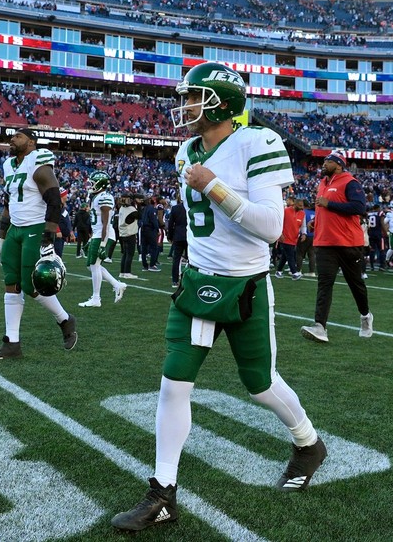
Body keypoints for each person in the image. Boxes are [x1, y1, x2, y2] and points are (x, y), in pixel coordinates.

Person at [111, 62, 326, 532]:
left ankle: (308, 444)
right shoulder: (186, 150)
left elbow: (272, 227)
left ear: (221, 103)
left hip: (246, 285)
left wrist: (213, 185)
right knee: (174, 381)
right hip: (198, 283)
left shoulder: (259, 142)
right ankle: (162, 492)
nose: (185, 106)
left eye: (195, 97)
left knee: (261, 384)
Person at [0, 128, 77, 359]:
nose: (12, 139)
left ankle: (64, 319)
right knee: (10, 282)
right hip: (15, 229)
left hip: (35, 227)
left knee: (29, 284)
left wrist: (48, 235)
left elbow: (55, 199)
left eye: (18, 136)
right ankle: (11, 343)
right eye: (12, 136)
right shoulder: (8, 165)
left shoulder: (38, 158)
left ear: (31, 142)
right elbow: (9, 203)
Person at [300, 150, 374, 342]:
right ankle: (320, 326)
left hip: (348, 243)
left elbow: (359, 208)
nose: (324, 163)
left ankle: (366, 315)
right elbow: (325, 208)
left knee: (355, 284)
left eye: (328, 161)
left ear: (339, 165)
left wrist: (329, 204)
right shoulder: (322, 183)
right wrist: (316, 220)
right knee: (324, 284)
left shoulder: (350, 182)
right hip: (325, 243)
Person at [78, 170, 127, 308]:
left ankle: (96, 298)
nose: (91, 185)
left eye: (93, 183)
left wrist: (103, 243)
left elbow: (106, 222)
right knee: (92, 265)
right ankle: (117, 285)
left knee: (94, 266)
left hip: (103, 235)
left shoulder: (104, 197)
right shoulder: (98, 196)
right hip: (99, 234)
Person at [274, 196, 304, 279]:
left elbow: (303, 225)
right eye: (300, 206)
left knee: (285, 256)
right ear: (295, 204)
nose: (302, 208)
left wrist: (304, 234)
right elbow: (279, 222)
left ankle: (278, 271)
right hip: (285, 237)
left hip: (294, 238)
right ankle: (294, 273)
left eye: (302, 206)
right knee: (290, 255)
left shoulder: (302, 213)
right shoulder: (286, 211)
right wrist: (280, 233)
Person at [117, 192, 140, 279]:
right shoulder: (131, 209)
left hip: (123, 233)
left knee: (125, 254)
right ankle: (127, 272)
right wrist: (139, 204)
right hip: (130, 233)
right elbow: (139, 215)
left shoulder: (121, 208)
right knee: (130, 254)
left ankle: (122, 272)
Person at [166, 197, 188, 287]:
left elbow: (171, 224)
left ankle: (175, 281)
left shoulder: (175, 208)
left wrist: (170, 236)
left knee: (176, 259)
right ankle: (188, 280)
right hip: (189, 236)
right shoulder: (191, 207)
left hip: (178, 236)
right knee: (191, 259)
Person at [140, 196, 162, 271]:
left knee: (144, 248)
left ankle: (145, 266)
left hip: (143, 229)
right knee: (154, 247)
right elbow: (154, 220)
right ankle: (152, 265)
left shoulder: (143, 209)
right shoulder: (152, 209)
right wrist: (157, 229)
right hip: (150, 229)